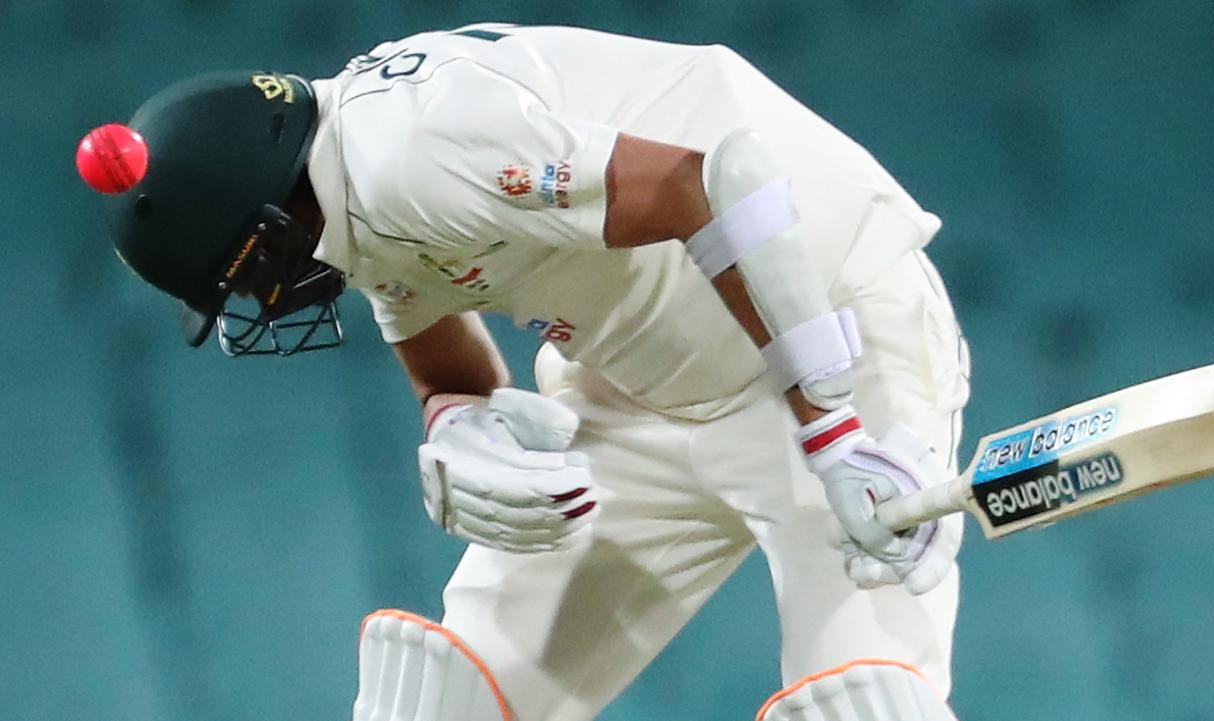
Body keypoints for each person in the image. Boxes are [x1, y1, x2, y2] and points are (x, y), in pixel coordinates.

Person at [80, 23, 971, 721]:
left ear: (268, 213)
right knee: (437, 702)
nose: (262, 299)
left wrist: (835, 426)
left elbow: (710, 187)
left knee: (865, 698)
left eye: (245, 274)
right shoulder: (344, 188)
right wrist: (456, 420)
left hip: (823, 339)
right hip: (634, 391)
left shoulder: (410, 157)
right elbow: (437, 348)